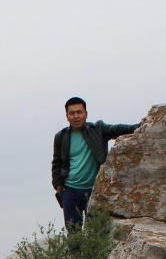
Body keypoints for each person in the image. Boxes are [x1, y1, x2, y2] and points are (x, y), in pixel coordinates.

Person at [51, 97, 139, 228]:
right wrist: (57, 184)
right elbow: (56, 162)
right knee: (73, 233)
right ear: (67, 116)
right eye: (72, 113)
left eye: (79, 112)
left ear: (86, 114)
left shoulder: (97, 129)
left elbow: (118, 129)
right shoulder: (61, 136)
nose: (76, 116)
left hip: (93, 190)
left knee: (96, 230)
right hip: (70, 190)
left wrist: (139, 126)